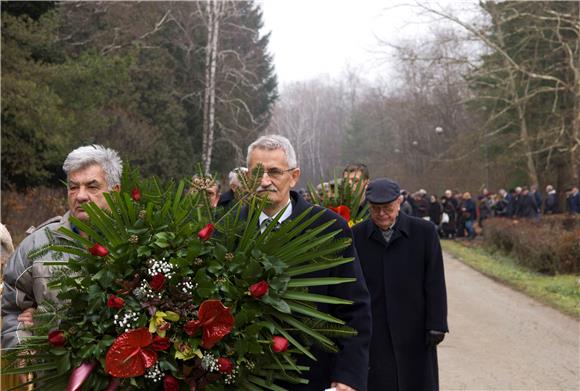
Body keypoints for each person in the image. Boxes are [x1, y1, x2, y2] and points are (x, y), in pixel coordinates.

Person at [245, 135, 372, 391]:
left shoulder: (327, 229)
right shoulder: (226, 227)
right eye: (256, 172)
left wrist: (348, 375)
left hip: (311, 374)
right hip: (244, 376)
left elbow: (354, 307)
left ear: (294, 176)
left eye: (274, 172)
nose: (264, 181)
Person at [2, 145, 123, 349]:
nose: (80, 196)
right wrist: (22, 349)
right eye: (73, 187)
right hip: (52, 375)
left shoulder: (137, 242)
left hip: (121, 376)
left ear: (115, 192)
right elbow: (11, 311)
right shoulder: (35, 245)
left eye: (92, 186)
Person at [352, 178, 448, 391]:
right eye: (375, 209)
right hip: (375, 326)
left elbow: (434, 281)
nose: (382, 214)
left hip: (415, 327)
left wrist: (437, 323)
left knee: (417, 380)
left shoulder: (424, 232)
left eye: (387, 208)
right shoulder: (357, 236)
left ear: (399, 202)